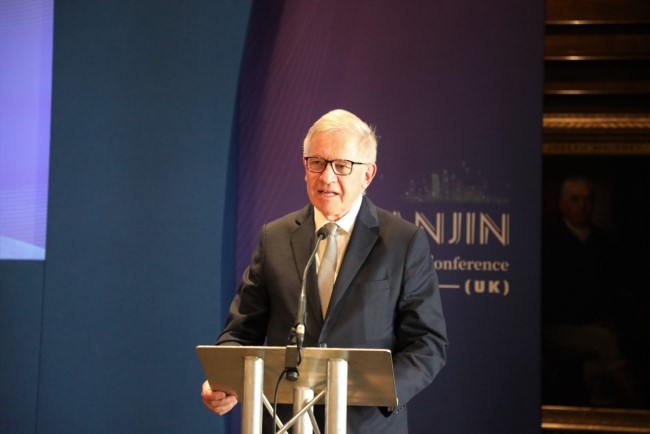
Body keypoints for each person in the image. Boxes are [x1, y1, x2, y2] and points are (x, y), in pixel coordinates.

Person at [201, 109, 448, 433]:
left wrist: (382, 392)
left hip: (366, 425)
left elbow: (427, 343)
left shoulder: (403, 242)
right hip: (284, 423)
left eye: (342, 166)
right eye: (316, 162)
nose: (327, 177)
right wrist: (223, 379)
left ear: (368, 174)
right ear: (304, 167)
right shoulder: (275, 237)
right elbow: (241, 332)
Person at [542, 176, 638, 406]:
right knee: (603, 341)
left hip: (600, 325)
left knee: (598, 358)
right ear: (562, 204)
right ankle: (638, 405)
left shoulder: (604, 243)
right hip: (559, 327)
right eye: (575, 199)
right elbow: (553, 297)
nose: (582, 206)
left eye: (587, 200)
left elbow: (613, 290)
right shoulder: (549, 242)